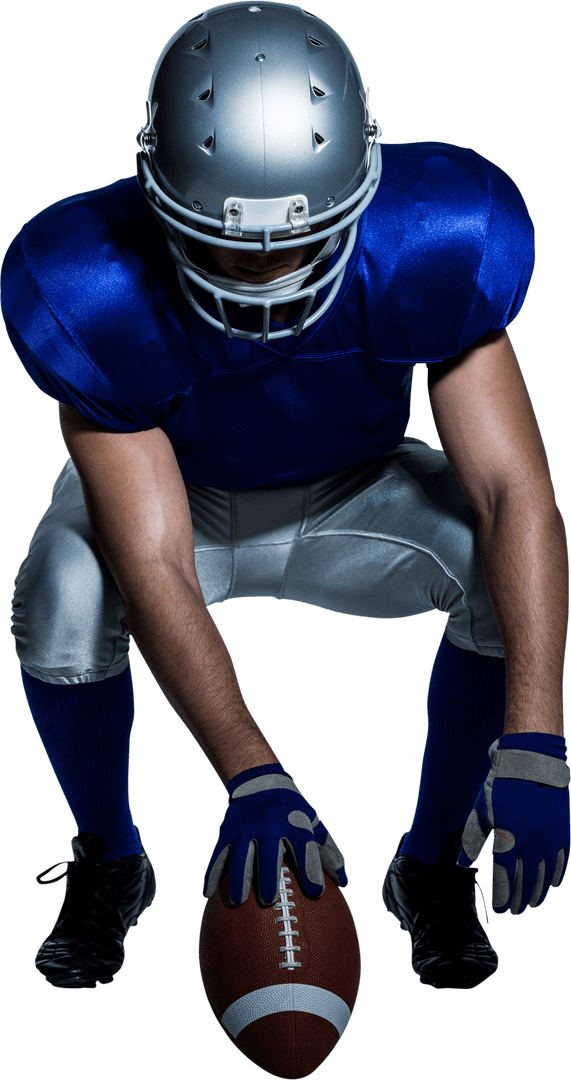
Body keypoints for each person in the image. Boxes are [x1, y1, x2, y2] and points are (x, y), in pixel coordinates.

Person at [1, 1, 569, 999]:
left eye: (292, 241)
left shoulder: (438, 236)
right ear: (155, 193)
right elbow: (154, 559)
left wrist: (535, 735)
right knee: (59, 590)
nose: (262, 271)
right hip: (181, 505)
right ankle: (114, 858)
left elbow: (513, 487)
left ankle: (431, 867)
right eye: (225, 245)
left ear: (365, 189)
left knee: (494, 567)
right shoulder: (86, 283)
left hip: (352, 491)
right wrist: (251, 770)